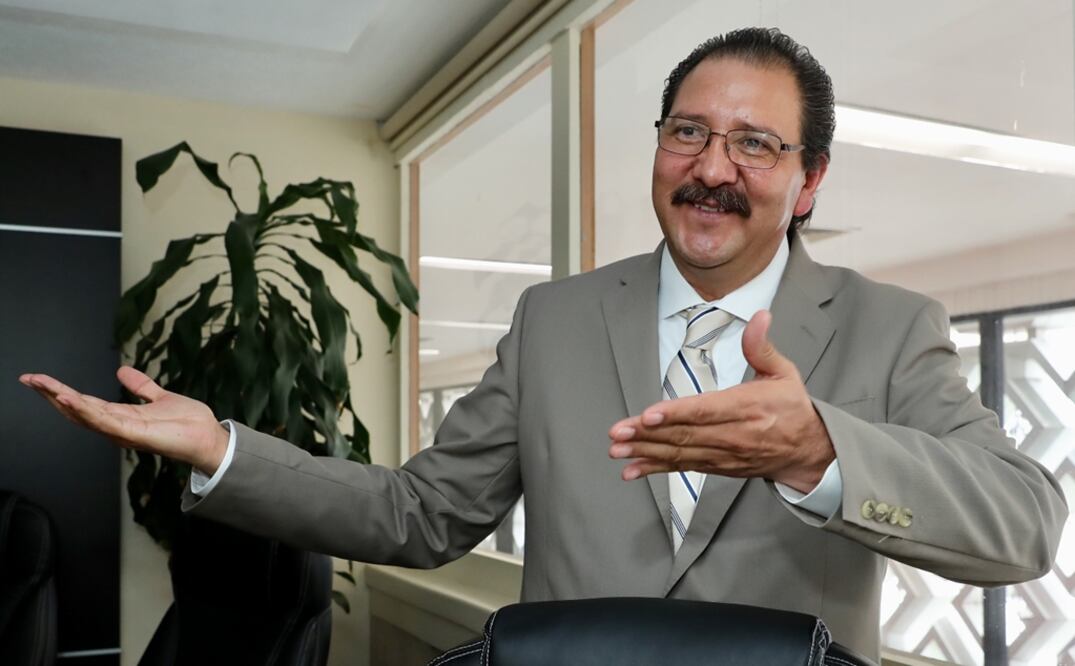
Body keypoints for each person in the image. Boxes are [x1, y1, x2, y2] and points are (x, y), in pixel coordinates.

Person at [20, 27, 1066, 659]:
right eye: (688, 132)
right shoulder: (554, 320)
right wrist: (223, 450)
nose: (713, 167)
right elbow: (419, 514)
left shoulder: (888, 328)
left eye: (756, 144)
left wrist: (818, 452)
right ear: (656, 148)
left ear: (811, 179)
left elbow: (1021, 526)